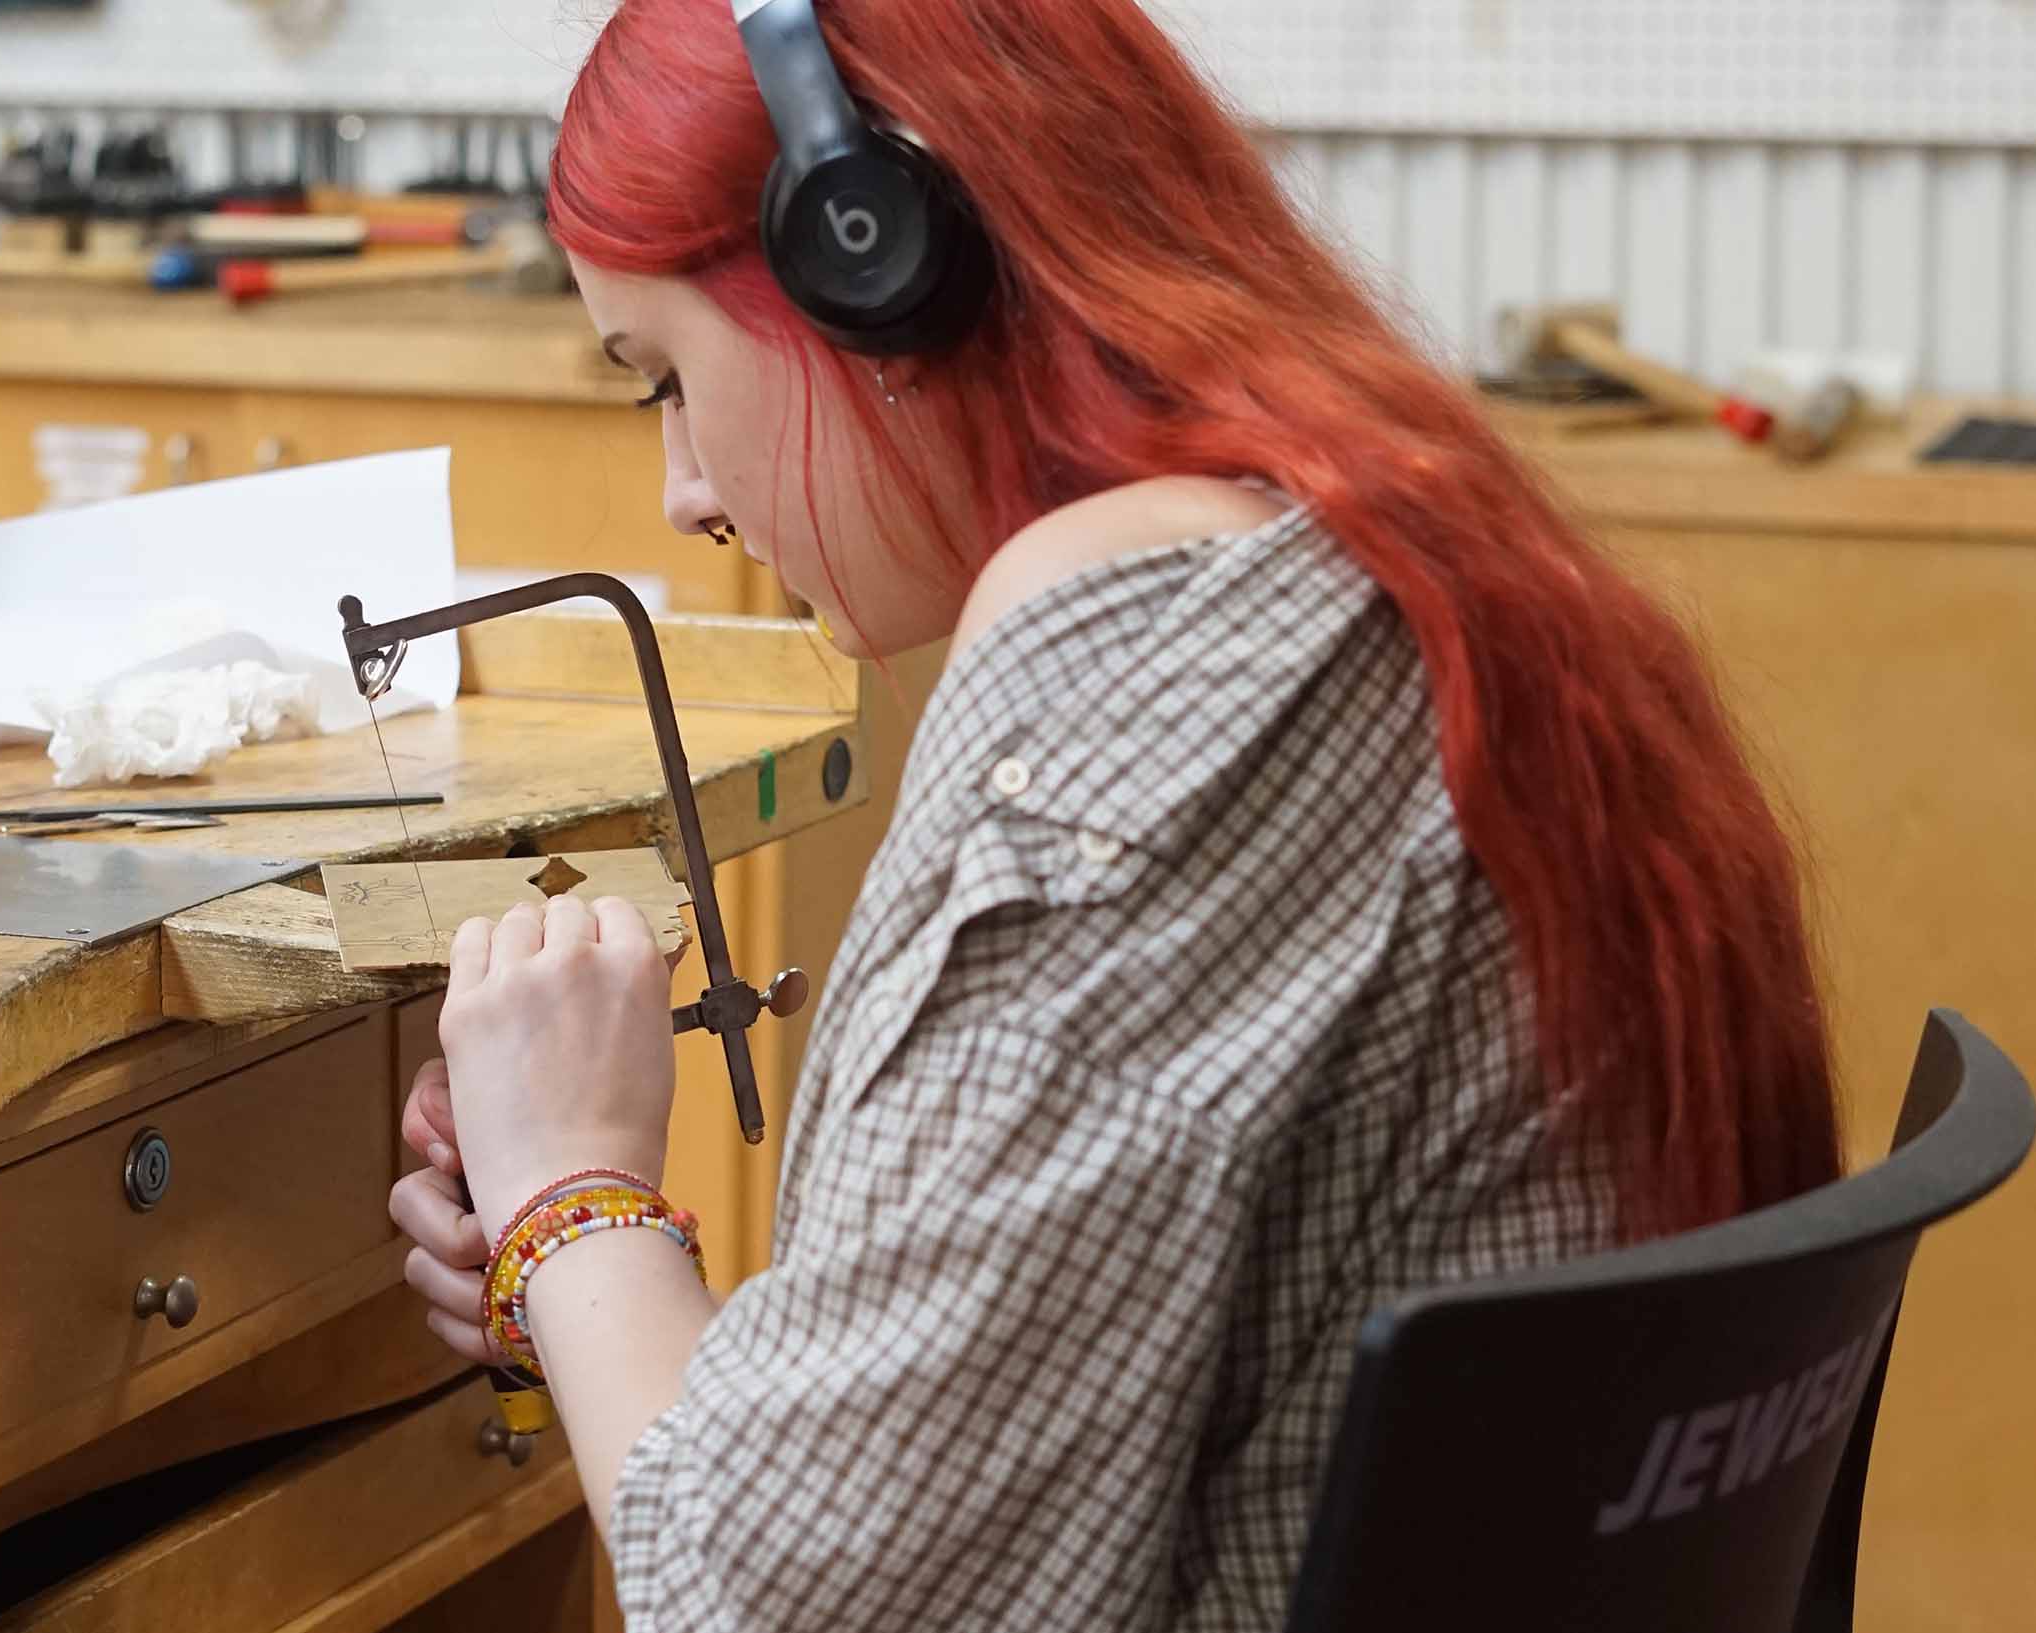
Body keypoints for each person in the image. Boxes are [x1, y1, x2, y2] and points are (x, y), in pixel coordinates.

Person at [385, 1, 1843, 1626]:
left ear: (873, 265)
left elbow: (794, 1612)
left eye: (665, 376)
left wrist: (569, 1189)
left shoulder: (1139, 714)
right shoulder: (1371, 568)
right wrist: (594, 1285)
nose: (685, 493)